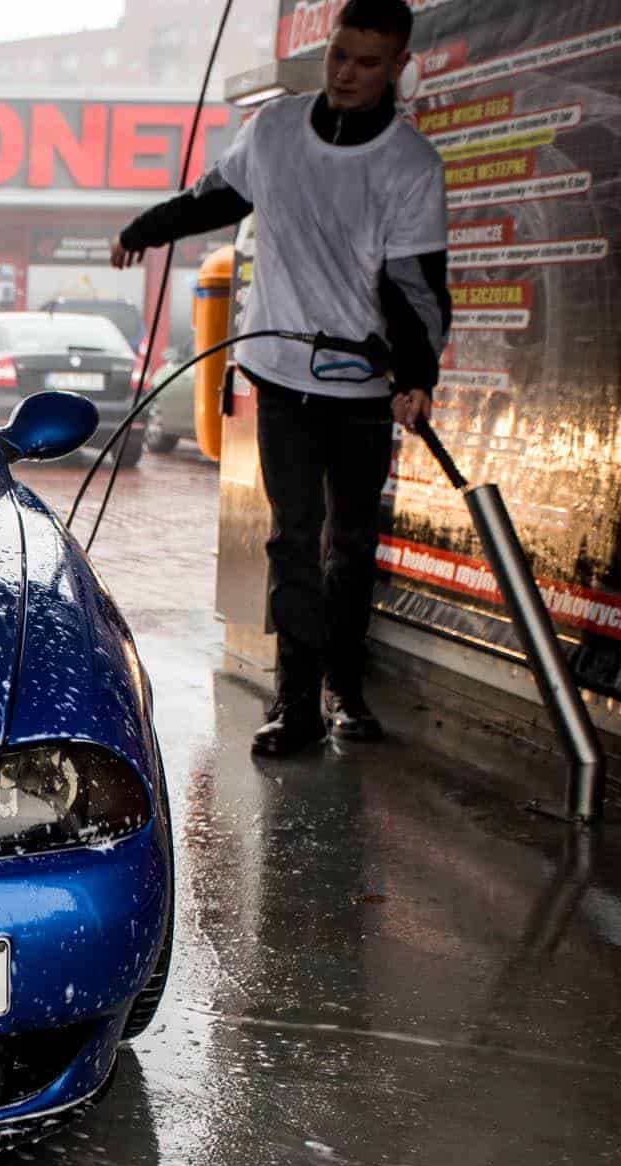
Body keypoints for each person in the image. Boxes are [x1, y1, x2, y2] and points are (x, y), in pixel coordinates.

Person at [111, 0, 449, 758]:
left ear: (398, 67)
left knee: (351, 542)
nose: (346, 74)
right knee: (293, 539)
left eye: (367, 62)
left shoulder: (409, 166)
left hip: (361, 386)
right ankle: (296, 706)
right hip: (280, 374)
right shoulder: (274, 131)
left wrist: (417, 373)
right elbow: (215, 198)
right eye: (339, 55)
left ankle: (344, 686)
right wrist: (142, 230)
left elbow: (416, 286)